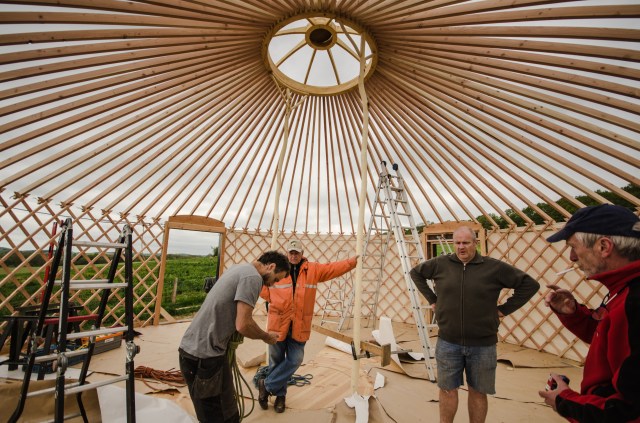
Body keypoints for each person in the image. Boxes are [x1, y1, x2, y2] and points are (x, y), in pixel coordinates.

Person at [410, 226, 539, 423]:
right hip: (448, 341)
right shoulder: (440, 264)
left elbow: (530, 284)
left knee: (478, 392)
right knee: (447, 390)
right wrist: (433, 299)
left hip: (482, 344)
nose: (461, 247)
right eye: (457, 243)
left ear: (475, 243)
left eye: (466, 242)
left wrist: (504, 310)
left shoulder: (494, 267)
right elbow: (415, 273)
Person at [539, 204, 640, 422]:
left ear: (604, 246)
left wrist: (564, 400)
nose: (572, 257)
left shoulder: (634, 302)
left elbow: (628, 412)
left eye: (573, 247)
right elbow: (614, 339)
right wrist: (574, 314)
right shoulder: (623, 288)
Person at [178, 251, 290, 423]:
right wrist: (266, 337)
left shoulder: (238, 268)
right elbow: (243, 324)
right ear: (271, 266)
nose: (272, 284)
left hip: (194, 351)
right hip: (205, 357)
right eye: (276, 279)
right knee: (221, 417)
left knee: (219, 413)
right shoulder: (253, 278)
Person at [258, 238, 358, 413]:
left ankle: (266, 385)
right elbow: (261, 283)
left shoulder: (312, 269)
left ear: (302, 254)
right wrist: (272, 298)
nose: (294, 256)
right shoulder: (277, 268)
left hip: (300, 324)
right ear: (287, 253)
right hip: (278, 322)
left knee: (295, 359)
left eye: (296, 253)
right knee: (276, 361)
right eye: (291, 253)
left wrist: (351, 262)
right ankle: (280, 396)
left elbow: (332, 269)